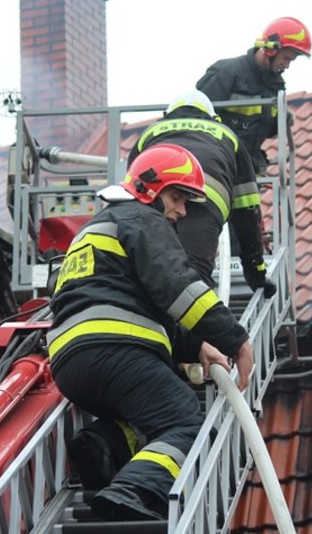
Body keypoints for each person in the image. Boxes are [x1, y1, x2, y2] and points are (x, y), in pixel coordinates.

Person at [47, 143, 254, 521]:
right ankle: (135, 491)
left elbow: (134, 304)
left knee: (145, 418)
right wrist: (234, 338)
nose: (181, 212)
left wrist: (196, 345)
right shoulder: (139, 217)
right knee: (184, 421)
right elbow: (177, 286)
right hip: (117, 352)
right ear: (149, 189)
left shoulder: (92, 232)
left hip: (70, 364)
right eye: (177, 197)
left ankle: (102, 447)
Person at [128, 90, 276, 298]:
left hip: (155, 198)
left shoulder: (150, 132)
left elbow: (132, 189)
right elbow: (247, 210)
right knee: (194, 281)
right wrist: (255, 272)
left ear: (168, 114)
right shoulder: (227, 134)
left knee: (147, 273)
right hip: (205, 200)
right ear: (212, 116)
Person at [196, 16, 312, 175]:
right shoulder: (228, 72)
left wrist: (281, 120)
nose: (287, 65)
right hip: (217, 160)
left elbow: (265, 128)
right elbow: (197, 115)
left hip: (249, 166)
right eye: (286, 58)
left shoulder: (276, 87)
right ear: (271, 49)